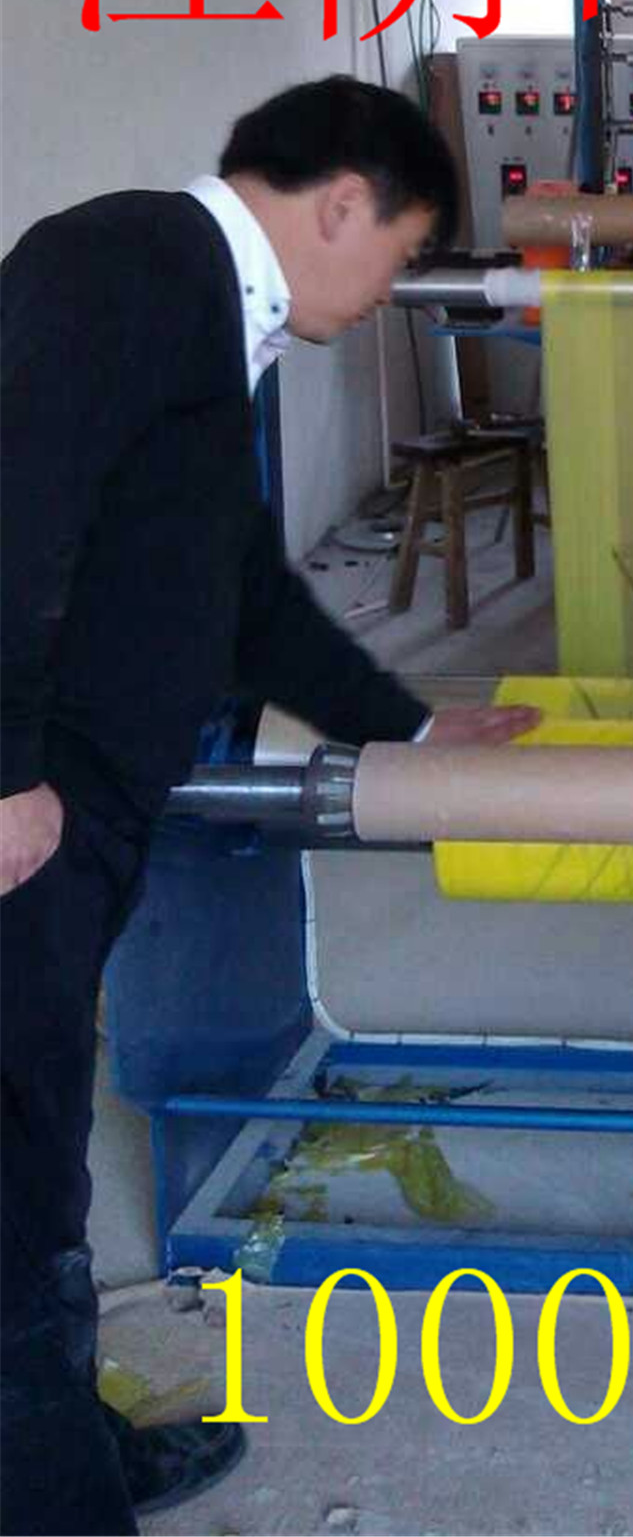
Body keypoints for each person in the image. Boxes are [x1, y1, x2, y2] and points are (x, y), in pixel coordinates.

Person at [0, 78, 539, 1534]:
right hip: (31, 810)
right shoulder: (121, 266)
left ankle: (69, 1451)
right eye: (397, 258)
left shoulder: (200, 320)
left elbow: (241, 590)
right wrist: (4, 770)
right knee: (14, 1162)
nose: (382, 300)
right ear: (342, 203)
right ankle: (54, 1502)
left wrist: (411, 724)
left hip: (86, 800)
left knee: (35, 1147)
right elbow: (7, 506)